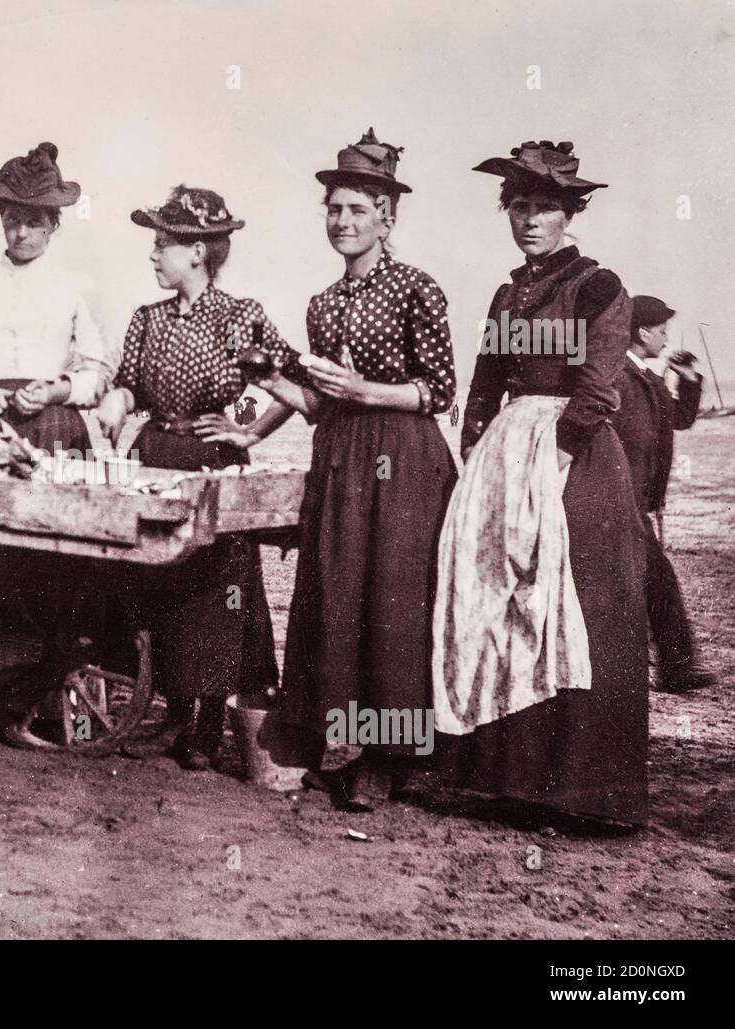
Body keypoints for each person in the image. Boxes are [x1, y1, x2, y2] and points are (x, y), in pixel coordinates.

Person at [229, 130, 458, 810]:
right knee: (335, 593)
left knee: (394, 598)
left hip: (407, 460)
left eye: (358, 210)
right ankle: (342, 741)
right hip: (342, 457)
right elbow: (315, 405)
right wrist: (269, 378)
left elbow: (438, 391)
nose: (343, 222)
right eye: (334, 209)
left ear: (387, 218)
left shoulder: (419, 289)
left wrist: (364, 392)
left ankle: (390, 757)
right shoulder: (322, 305)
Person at [433, 141, 648, 829]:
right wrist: (475, 455)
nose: (530, 219)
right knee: (498, 599)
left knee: (574, 604)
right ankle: (506, 778)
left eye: (545, 207)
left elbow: (598, 387)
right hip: (506, 453)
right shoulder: (507, 293)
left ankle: (583, 790)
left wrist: (553, 460)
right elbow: (486, 382)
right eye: (519, 205)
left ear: (570, 212)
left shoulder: (597, 286)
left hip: (573, 460)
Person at [96, 185, 303, 770]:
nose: (153, 254)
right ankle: (173, 712)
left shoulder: (240, 317)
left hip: (211, 464)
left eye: (162, 244)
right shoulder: (148, 318)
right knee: (158, 583)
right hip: (156, 457)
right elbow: (129, 381)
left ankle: (209, 725)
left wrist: (250, 433)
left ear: (197, 252)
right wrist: (117, 398)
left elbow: (293, 388)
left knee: (214, 592)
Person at [0, 141, 115, 453]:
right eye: (12, 221)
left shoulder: (76, 286)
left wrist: (55, 391)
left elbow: (97, 371)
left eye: (34, 223)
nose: (21, 234)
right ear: (1, 220)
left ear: (53, 225)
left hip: (54, 422)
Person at [609, 294, 714, 693]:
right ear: (642, 332)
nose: (666, 337)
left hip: (634, 505)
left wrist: (686, 379)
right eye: (662, 330)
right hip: (620, 503)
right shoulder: (617, 376)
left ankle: (674, 668)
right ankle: (674, 668)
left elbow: (680, 419)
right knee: (658, 582)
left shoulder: (646, 378)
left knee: (653, 583)